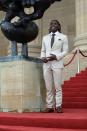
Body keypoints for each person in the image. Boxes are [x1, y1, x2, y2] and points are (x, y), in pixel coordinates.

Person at [41, 20, 68, 113]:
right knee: (48, 86)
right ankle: (49, 106)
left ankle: (59, 105)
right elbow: (43, 50)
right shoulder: (45, 38)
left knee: (57, 86)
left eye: (55, 24)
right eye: (51, 23)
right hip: (46, 64)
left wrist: (56, 57)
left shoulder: (63, 37)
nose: (53, 25)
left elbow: (65, 51)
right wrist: (42, 57)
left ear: (58, 26)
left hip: (57, 63)